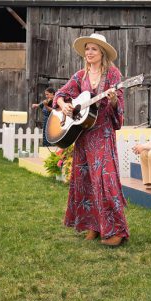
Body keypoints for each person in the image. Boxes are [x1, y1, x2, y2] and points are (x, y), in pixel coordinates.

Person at [54, 33, 128, 247]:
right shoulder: (80, 76)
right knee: (85, 179)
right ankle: (93, 227)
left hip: (103, 133)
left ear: (102, 52)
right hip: (83, 134)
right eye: (87, 49)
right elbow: (61, 92)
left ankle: (116, 230)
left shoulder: (113, 74)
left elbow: (118, 105)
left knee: (105, 180)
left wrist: (113, 100)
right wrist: (62, 104)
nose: (89, 52)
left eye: (93, 49)